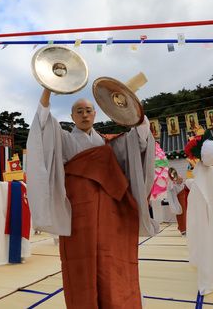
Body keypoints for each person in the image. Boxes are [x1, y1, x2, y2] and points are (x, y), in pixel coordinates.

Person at [27, 88, 158, 309]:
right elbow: (43, 127)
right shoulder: (64, 139)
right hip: (78, 214)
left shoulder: (110, 144)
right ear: (72, 117)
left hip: (110, 215)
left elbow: (140, 141)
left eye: (88, 110)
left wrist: (134, 109)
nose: (85, 115)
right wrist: (47, 91)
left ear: (95, 114)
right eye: (79, 111)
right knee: (80, 265)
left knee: (110, 262)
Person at [184, 134, 213, 295]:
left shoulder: (206, 172)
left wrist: (188, 182)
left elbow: (199, 191)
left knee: (205, 241)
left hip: (205, 214)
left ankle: (209, 276)